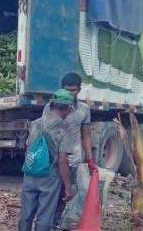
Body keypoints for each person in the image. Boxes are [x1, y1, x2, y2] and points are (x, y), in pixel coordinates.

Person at [42, 73, 96, 226]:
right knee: (51, 194)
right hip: (53, 160)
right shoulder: (50, 107)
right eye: (67, 90)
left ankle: (58, 223)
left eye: (73, 90)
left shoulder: (84, 110)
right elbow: (44, 132)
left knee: (68, 194)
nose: (70, 93)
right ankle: (47, 223)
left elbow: (86, 135)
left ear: (79, 90)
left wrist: (90, 159)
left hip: (73, 160)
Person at [18, 89, 76, 231]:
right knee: (45, 214)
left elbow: (28, 147)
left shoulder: (36, 123)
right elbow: (63, 161)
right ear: (68, 108)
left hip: (30, 172)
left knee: (26, 212)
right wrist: (68, 187)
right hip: (49, 176)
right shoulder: (65, 130)